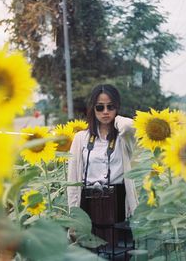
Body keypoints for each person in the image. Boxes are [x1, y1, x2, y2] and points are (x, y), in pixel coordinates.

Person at [67, 84, 138, 248]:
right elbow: (72, 181)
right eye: (100, 107)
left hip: (117, 203)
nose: (105, 111)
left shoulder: (123, 138)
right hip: (88, 203)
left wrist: (117, 119)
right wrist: (74, 215)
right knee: (90, 254)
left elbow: (129, 127)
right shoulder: (81, 139)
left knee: (117, 252)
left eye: (111, 106)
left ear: (117, 108)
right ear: (92, 108)